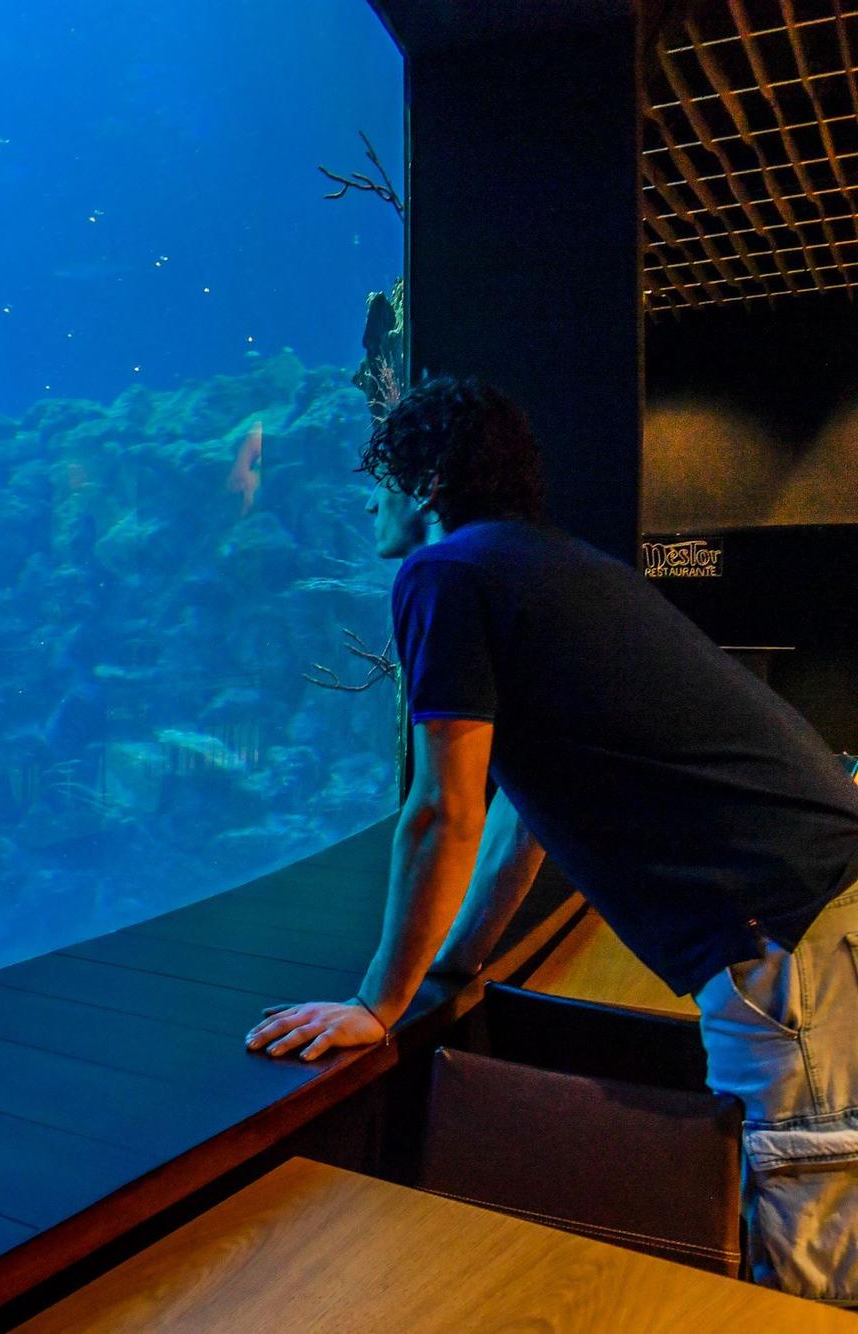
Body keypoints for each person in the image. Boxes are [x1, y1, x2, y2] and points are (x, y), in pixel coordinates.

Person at [244, 377, 858, 1304]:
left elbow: (439, 810)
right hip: (823, 902)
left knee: (810, 1239)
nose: (372, 498)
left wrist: (377, 1003)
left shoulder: (444, 574)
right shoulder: (553, 566)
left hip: (786, 929)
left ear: (425, 483)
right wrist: (453, 967)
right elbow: (523, 812)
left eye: (382, 475)